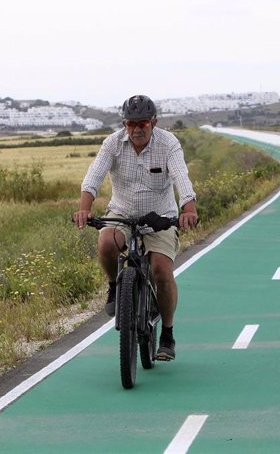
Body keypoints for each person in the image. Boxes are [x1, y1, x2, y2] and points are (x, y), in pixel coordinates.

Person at [73, 95, 197, 361]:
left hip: (160, 216)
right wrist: (85, 208)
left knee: (161, 270)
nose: (136, 129)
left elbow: (181, 178)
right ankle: (113, 286)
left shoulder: (168, 143)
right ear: (124, 124)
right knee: (107, 244)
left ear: (153, 122)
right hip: (122, 212)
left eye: (142, 123)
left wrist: (189, 208)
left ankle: (167, 333)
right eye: (131, 124)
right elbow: (93, 176)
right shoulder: (113, 143)